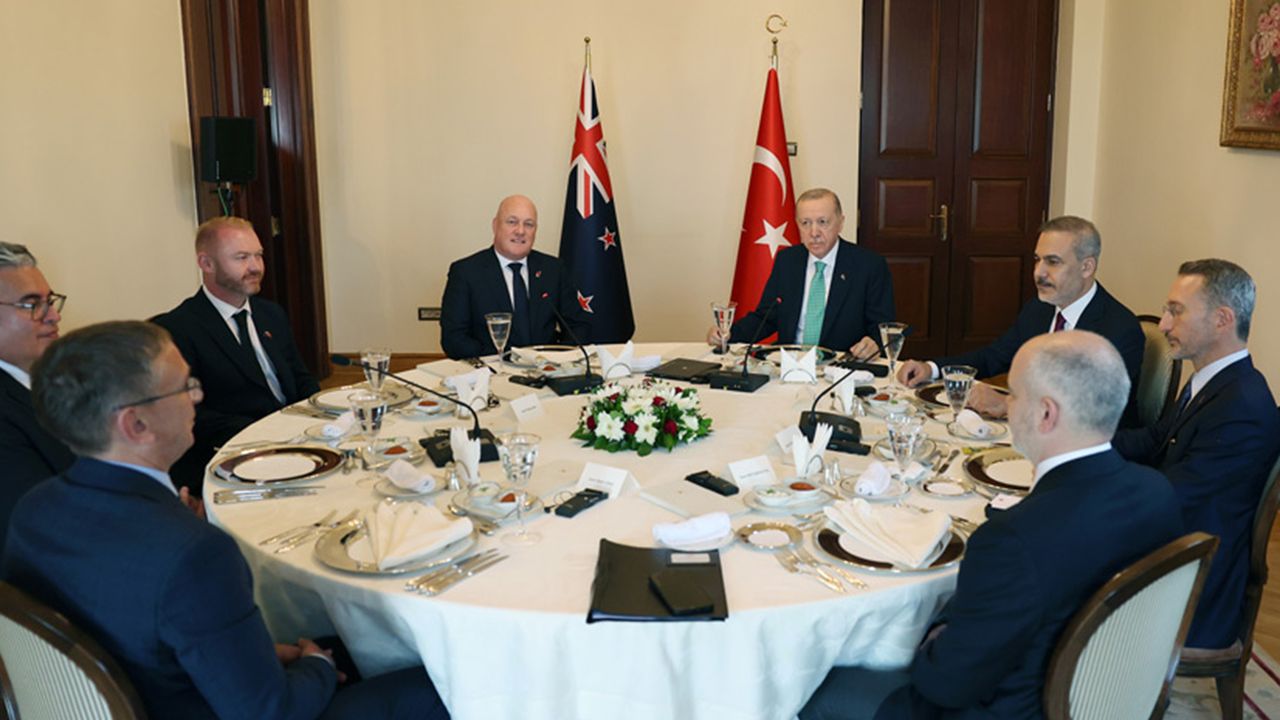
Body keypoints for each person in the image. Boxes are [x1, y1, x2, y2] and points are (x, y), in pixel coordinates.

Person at [2, 321, 448, 720]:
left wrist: (262, 654)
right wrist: (318, 666)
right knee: (442, 682)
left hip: (144, 690)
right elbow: (271, 710)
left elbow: (134, 615)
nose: (197, 398)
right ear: (136, 424)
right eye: (185, 387)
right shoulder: (193, 552)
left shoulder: (33, 511)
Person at [800, 331, 1183, 719]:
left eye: (1013, 395)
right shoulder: (1157, 493)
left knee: (816, 688)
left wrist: (932, 634)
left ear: (1046, 414)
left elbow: (945, 684)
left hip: (1009, 711)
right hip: (1114, 699)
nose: (1006, 405)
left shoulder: (1012, 540)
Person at [1113, 259, 1280, 652]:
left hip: (1191, 586)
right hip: (1173, 542)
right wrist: (1082, 444)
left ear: (1222, 319)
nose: (1164, 324)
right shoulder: (1213, 381)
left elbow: (1174, 496)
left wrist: (1090, 480)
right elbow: (1155, 440)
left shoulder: (1243, 406)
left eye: (1176, 311)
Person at [895, 216, 1144, 425]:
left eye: (1053, 262)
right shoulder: (1039, 309)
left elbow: (1091, 416)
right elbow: (994, 357)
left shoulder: (1118, 329)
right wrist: (931, 368)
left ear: (1087, 267)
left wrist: (1009, 405)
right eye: (1037, 259)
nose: (1039, 272)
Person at [154, 217, 320, 493]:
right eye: (241, 258)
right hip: (234, 456)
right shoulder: (177, 328)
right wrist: (270, 430)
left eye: (258, 255)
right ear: (206, 264)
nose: (255, 267)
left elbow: (300, 377)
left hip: (297, 440)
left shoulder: (271, 313)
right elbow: (190, 413)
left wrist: (320, 420)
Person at [709, 188, 895, 359]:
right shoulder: (788, 260)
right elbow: (767, 317)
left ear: (840, 223)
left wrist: (874, 343)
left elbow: (882, 328)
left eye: (823, 222)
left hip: (840, 365)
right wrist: (729, 333)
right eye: (805, 223)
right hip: (789, 362)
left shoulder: (868, 265)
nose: (814, 232)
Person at [440, 194, 591, 359]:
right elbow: (453, 339)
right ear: (495, 225)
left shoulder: (553, 269)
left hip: (547, 369)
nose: (520, 231)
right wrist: (501, 361)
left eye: (529, 224)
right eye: (512, 222)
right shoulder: (466, 272)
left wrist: (556, 360)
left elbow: (578, 326)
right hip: (492, 369)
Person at [0, 242, 74, 553]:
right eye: (32, 304)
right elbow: (40, 530)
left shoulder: (59, 376)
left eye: (50, 301)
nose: (53, 317)